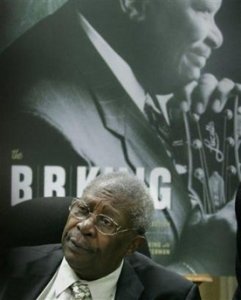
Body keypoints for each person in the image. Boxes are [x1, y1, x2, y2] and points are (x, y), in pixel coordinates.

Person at [0, 0, 239, 275]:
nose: (217, 37)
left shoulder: (126, 81)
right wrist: (198, 263)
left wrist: (212, 146)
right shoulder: (45, 121)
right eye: (202, 10)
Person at [0, 172, 201, 299]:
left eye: (105, 222)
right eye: (83, 209)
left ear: (132, 245)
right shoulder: (10, 266)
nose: (84, 226)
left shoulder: (173, 295)